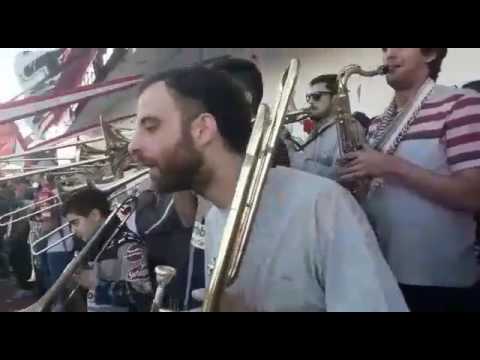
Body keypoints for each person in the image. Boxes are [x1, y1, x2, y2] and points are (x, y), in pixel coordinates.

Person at [128, 66, 409, 312]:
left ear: (202, 129)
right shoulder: (215, 219)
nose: (133, 146)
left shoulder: (320, 204)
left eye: (151, 127)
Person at [338, 48, 480, 312]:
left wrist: (391, 167)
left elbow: (473, 195)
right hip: (382, 272)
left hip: (440, 284)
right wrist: (355, 180)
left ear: (430, 54)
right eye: (384, 48)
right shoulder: (378, 123)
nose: (388, 54)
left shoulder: (462, 104)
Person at [63, 188, 152, 312]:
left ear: (95, 215)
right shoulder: (93, 245)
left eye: (75, 223)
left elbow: (142, 295)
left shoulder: (128, 245)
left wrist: (96, 284)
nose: (72, 231)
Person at [128, 182, 205, 311]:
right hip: (167, 270)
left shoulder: (174, 186)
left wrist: (144, 196)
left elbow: (148, 225)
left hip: (177, 271)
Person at [284, 74, 363, 180]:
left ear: (336, 99)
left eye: (317, 96)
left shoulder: (347, 129)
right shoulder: (319, 129)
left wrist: (292, 156)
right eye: (308, 97)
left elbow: (343, 176)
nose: (311, 101)